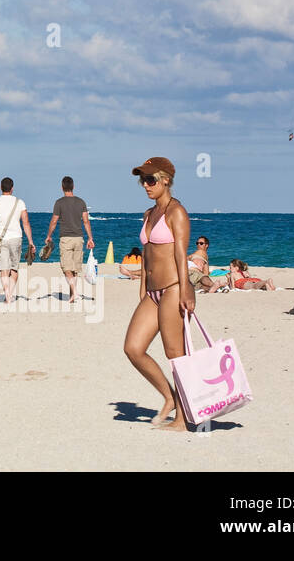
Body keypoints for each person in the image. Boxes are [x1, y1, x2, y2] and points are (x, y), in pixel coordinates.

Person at [123, 157, 192, 431]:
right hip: (151, 292)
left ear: (166, 180)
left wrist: (187, 290)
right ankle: (170, 397)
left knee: (175, 354)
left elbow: (180, 253)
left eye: (150, 180)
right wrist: (143, 290)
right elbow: (147, 258)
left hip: (174, 288)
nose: (145, 185)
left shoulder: (177, 212)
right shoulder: (148, 214)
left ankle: (184, 418)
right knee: (133, 348)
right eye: (143, 180)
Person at [41, 176, 95, 302]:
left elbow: (54, 221)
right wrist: (90, 238)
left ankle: (74, 293)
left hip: (66, 239)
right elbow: (86, 221)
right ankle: (72, 296)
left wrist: (49, 235)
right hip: (79, 238)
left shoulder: (59, 202)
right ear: (73, 187)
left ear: (62, 187)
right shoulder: (81, 202)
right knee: (74, 269)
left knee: (67, 268)